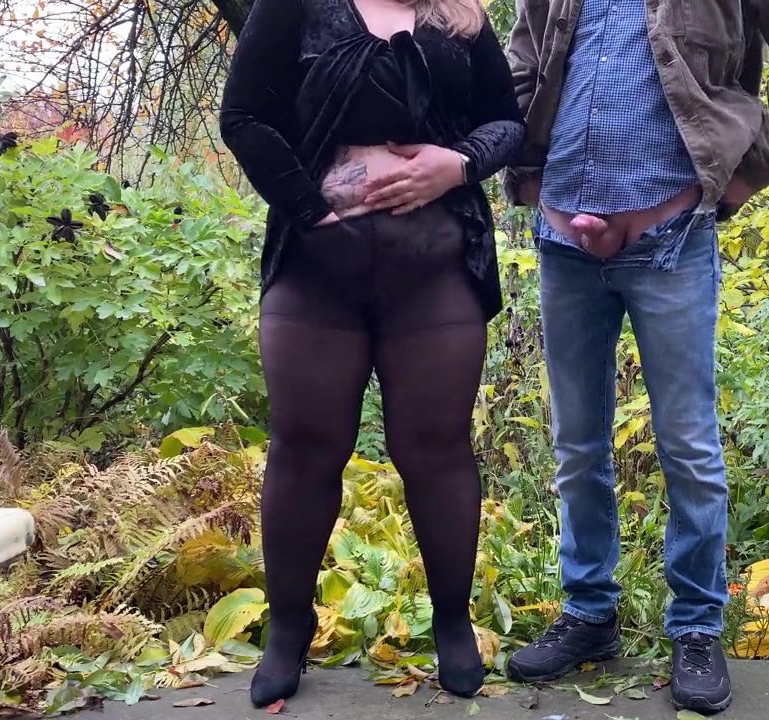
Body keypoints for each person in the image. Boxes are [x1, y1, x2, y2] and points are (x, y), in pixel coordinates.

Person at [501, 0, 769, 714]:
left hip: (673, 237)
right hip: (563, 244)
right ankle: (588, 613)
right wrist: (529, 174)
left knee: (688, 445)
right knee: (576, 445)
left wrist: (749, 172)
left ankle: (696, 627)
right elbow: (523, 63)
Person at [219, 0, 524, 707]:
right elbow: (244, 117)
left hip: (435, 271)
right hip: (315, 270)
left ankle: (452, 625)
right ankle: (288, 631)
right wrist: (315, 212)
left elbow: (506, 121)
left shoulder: (459, 15)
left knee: (437, 448)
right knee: (305, 447)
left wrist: (458, 164)